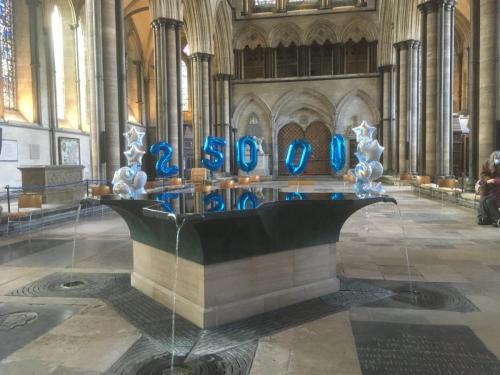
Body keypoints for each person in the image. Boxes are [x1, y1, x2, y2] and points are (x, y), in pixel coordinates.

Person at [478, 151, 500, 227]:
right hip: (488, 186)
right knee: (483, 200)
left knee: (489, 201)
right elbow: (483, 174)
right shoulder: (487, 163)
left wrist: (495, 180)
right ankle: (484, 218)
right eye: (496, 158)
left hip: (497, 187)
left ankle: (495, 219)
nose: (497, 160)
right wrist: (488, 180)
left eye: (498, 158)